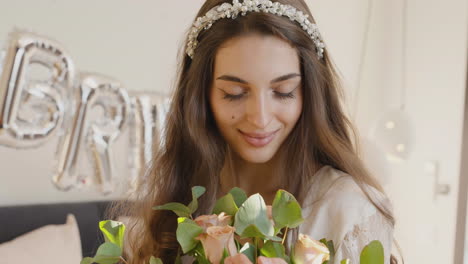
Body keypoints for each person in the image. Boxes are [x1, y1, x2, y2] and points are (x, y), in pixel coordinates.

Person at [110, 0, 403, 263]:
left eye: (283, 91)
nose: (260, 119)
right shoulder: (185, 202)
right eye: (234, 93)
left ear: (309, 93)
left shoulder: (349, 208)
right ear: (202, 96)